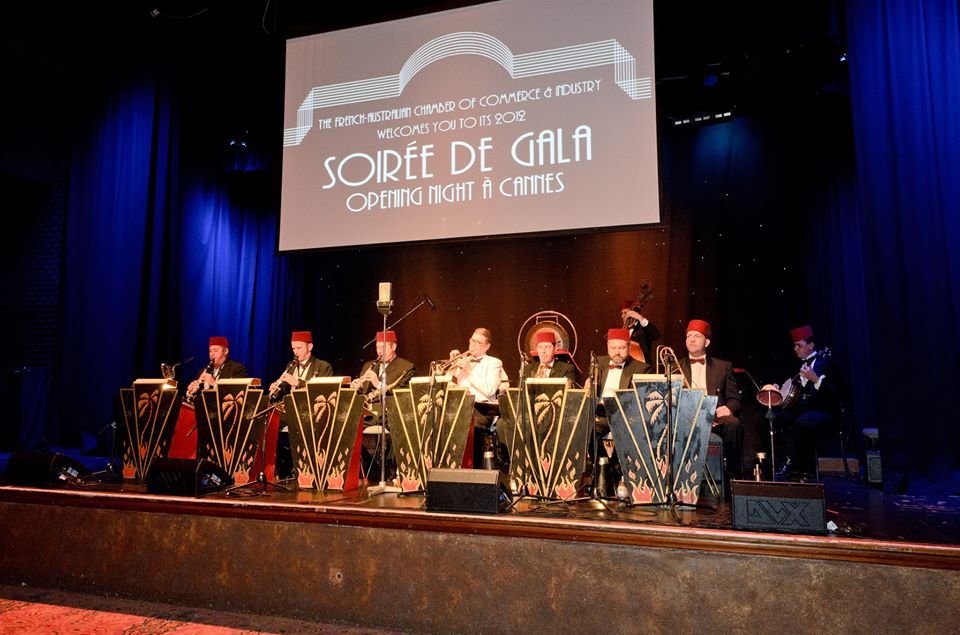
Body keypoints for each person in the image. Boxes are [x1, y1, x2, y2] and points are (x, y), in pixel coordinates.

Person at [676, 319, 744, 479]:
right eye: (688, 336)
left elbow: (734, 399)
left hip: (715, 418)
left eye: (697, 336)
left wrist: (727, 408)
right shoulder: (675, 366)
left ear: (706, 342)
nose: (691, 340)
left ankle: (731, 476)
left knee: (733, 424)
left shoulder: (723, 367)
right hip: (687, 418)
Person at [350, 331, 416, 482]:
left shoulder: (406, 367)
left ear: (394, 347)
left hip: (389, 412)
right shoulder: (369, 365)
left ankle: (390, 472)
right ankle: (368, 469)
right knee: (348, 427)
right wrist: (357, 387)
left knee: (398, 428)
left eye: (383, 347)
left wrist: (378, 384)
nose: (379, 351)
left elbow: (401, 393)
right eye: (377, 347)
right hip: (368, 411)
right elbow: (363, 392)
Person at [269, 330, 333, 479]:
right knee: (270, 421)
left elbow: (322, 392)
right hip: (290, 409)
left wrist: (297, 383)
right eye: (293, 349)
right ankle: (278, 469)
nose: (296, 352)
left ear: (309, 347)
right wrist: (277, 389)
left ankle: (303, 467)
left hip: (311, 410)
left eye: (299, 348)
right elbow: (284, 388)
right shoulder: (290, 365)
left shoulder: (323, 366)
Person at [775, 325, 837, 478]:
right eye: (795, 345)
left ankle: (806, 469)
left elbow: (834, 393)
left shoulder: (825, 363)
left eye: (799, 345)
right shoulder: (797, 365)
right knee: (772, 418)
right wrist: (779, 389)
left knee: (802, 423)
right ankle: (788, 461)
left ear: (811, 345)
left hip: (823, 409)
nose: (796, 349)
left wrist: (815, 379)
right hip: (800, 409)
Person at [449, 328, 504, 467]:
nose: (473, 345)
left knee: (469, 424)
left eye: (478, 342)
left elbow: (489, 389)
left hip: (481, 409)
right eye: (472, 340)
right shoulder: (463, 360)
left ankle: (472, 468)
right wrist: (451, 366)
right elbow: (450, 384)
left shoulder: (494, 363)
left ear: (487, 346)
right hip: (460, 406)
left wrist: (469, 371)